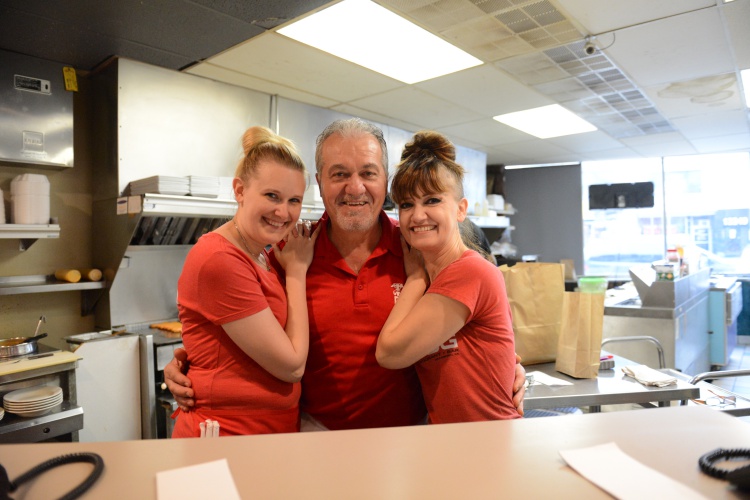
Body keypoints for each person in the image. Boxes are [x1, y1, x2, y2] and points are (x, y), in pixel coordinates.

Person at [165, 118, 526, 431]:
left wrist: (511, 366)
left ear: (385, 182)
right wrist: (186, 360)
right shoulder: (291, 253)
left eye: (368, 173)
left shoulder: (419, 245)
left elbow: (483, 324)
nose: (355, 188)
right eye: (339, 174)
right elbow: (237, 328)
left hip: (411, 437)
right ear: (320, 182)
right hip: (317, 436)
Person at [171, 126, 318, 437]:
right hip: (227, 435)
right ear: (239, 191)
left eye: (294, 200)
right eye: (272, 196)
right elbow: (291, 366)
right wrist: (296, 272)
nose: (283, 211)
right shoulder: (219, 258)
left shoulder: (261, 255)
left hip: (265, 433)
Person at [376, 130, 521, 424]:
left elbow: (389, 353)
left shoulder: (469, 272)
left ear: (460, 209)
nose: (417, 216)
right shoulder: (436, 278)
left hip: (489, 446)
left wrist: (416, 276)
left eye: (431, 201)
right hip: (452, 445)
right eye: (406, 204)